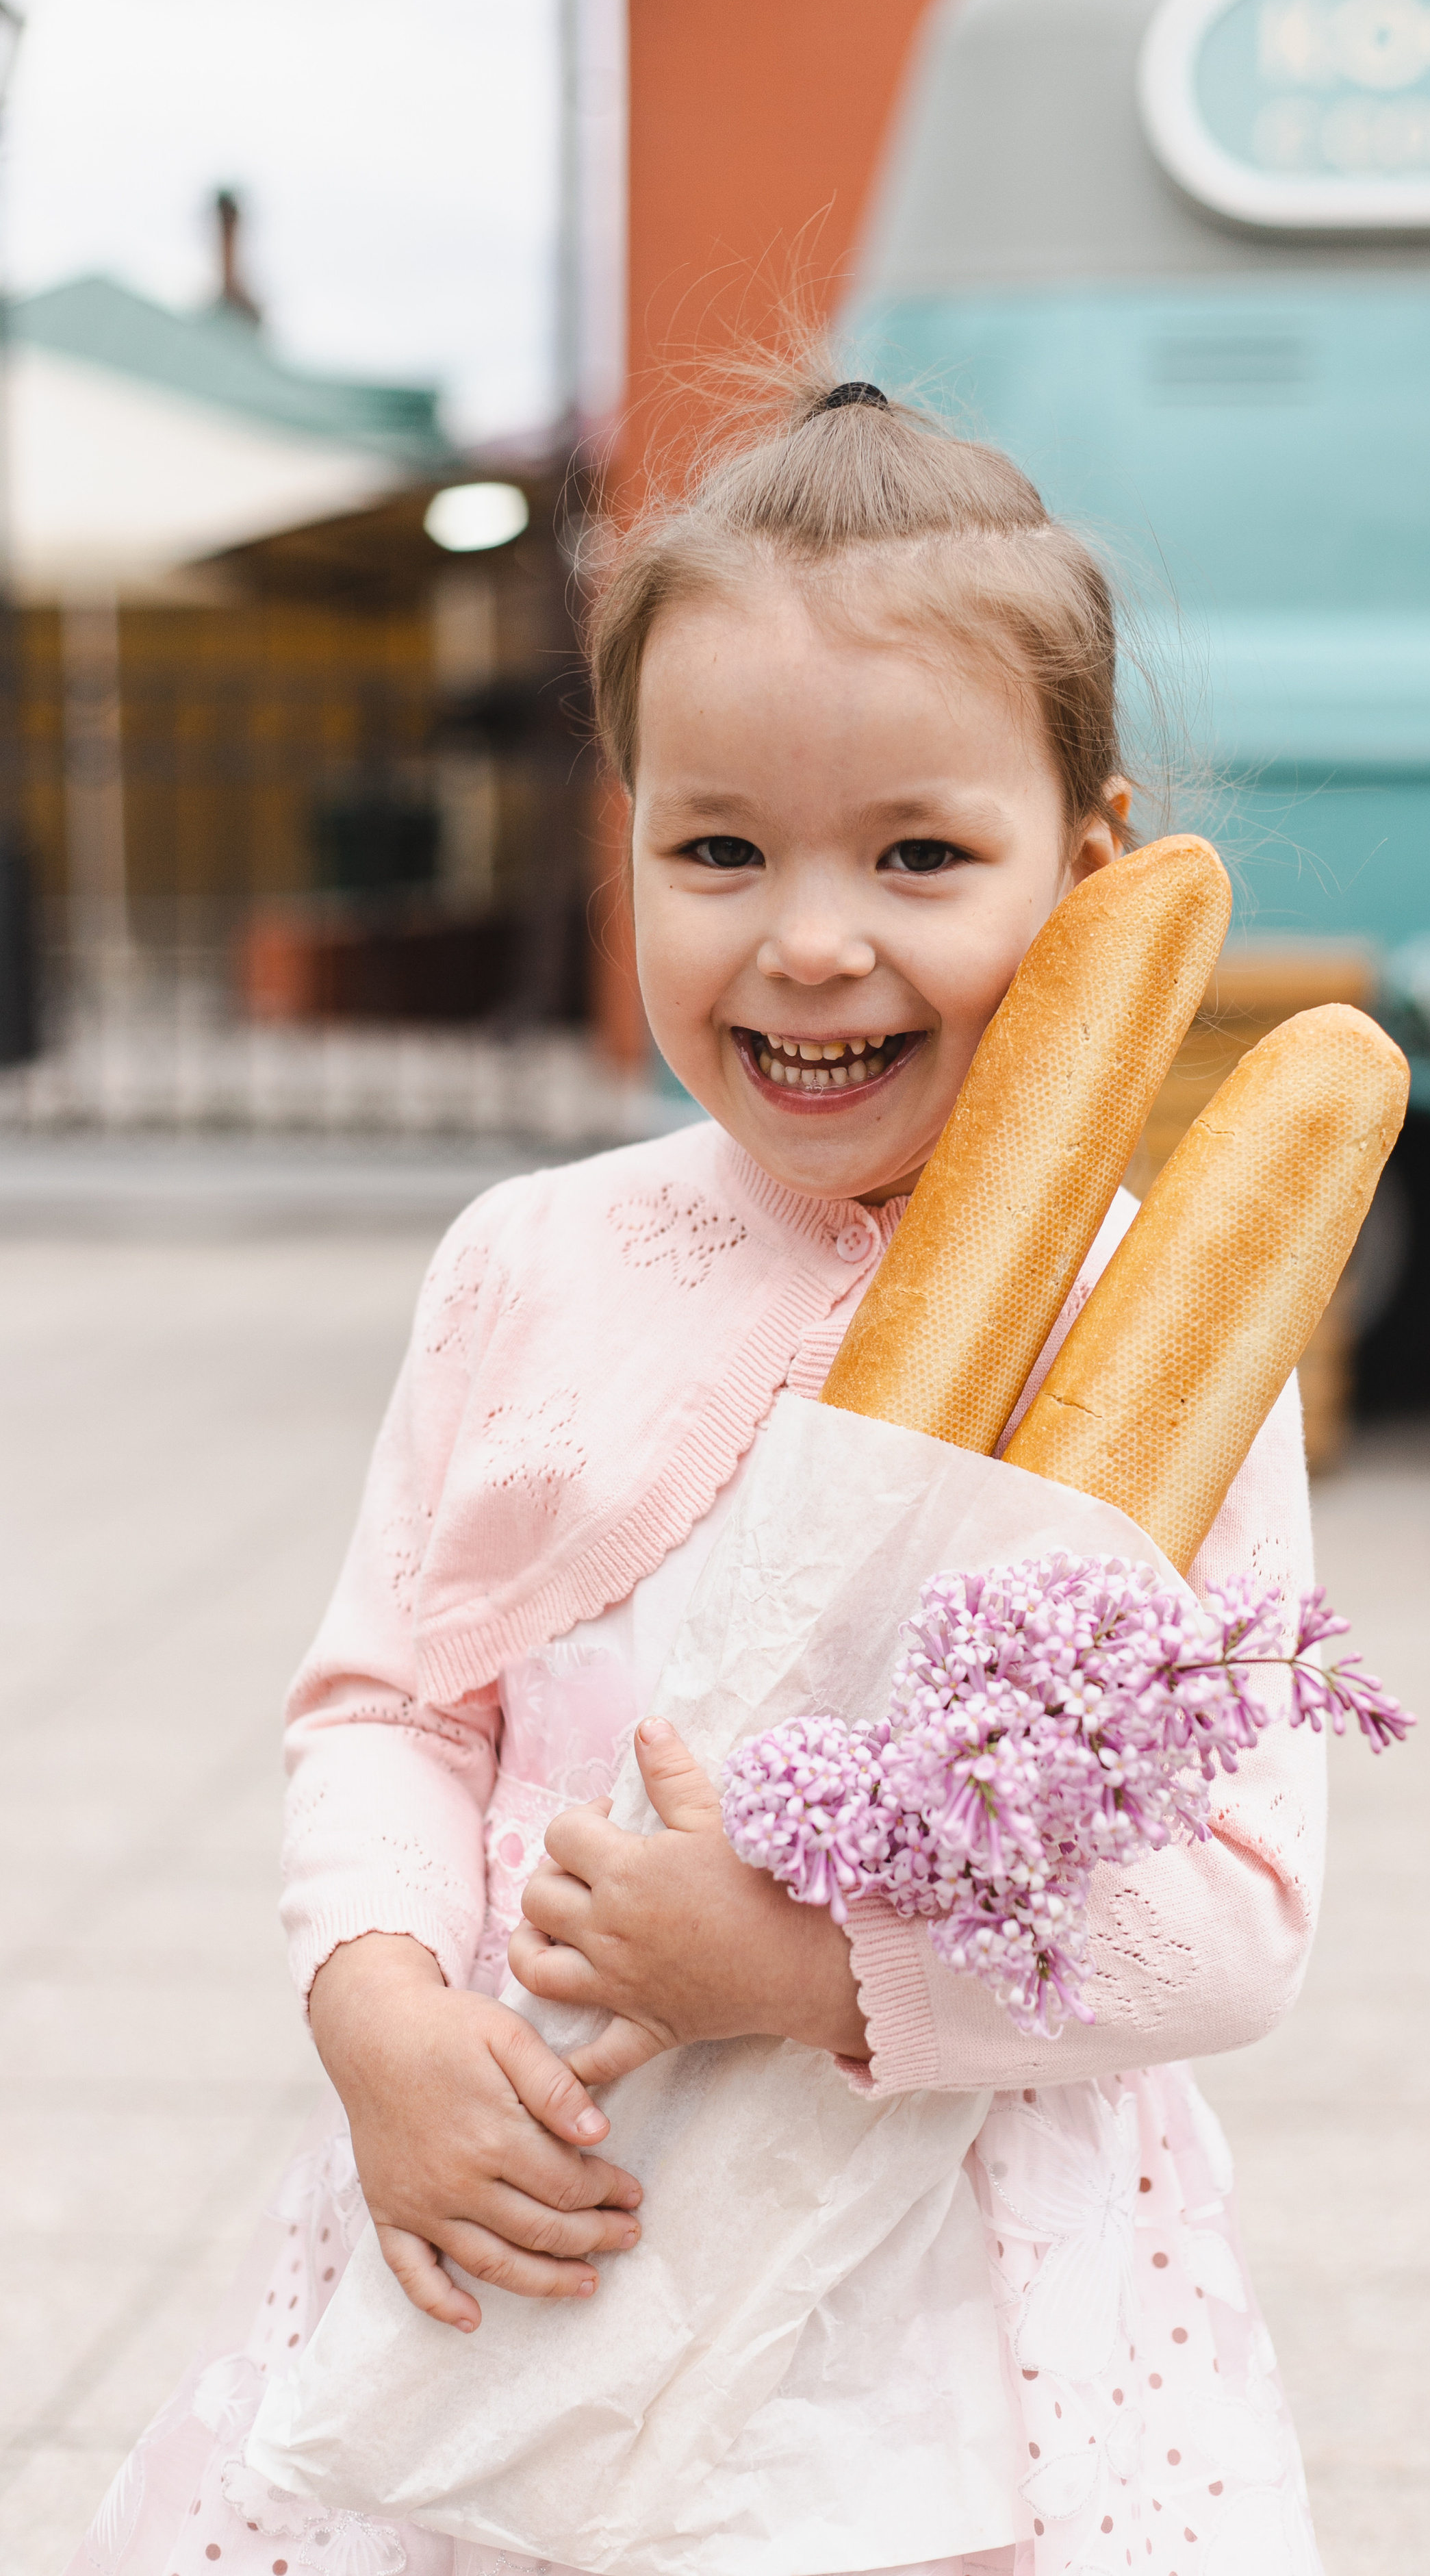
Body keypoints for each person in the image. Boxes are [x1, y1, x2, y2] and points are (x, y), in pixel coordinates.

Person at [71, 368, 1328, 2576]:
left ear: (1097, 867)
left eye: (920, 854)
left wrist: (818, 1971)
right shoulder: (527, 1263)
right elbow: (389, 1708)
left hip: (950, 2336)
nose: (811, 937)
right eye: (720, 846)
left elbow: (1237, 1918)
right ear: (626, 833)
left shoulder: (1168, 1345)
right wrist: (376, 2011)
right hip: (538, 2215)